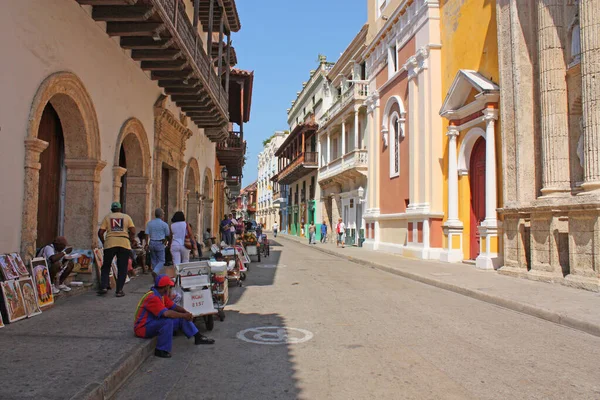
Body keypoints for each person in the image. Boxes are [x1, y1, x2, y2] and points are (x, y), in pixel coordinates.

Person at [134, 274, 215, 358]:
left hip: (152, 323)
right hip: (142, 328)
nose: (170, 289)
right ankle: (160, 350)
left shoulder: (161, 295)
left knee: (179, 317)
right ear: (165, 287)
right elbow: (167, 313)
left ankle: (198, 337)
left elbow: (174, 307)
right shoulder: (152, 297)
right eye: (169, 286)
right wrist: (184, 315)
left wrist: (186, 313)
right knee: (167, 321)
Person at [98, 202, 136, 297]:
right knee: (122, 268)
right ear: (120, 209)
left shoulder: (107, 217)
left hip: (110, 243)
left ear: (111, 209)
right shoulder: (127, 217)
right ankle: (119, 291)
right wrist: (130, 239)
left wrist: (104, 242)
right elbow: (133, 231)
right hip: (124, 243)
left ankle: (103, 286)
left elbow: (100, 232)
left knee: (106, 266)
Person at [145, 208, 170, 274]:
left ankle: (155, 275)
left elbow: (146, 234)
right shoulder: (164, 224)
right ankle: (155, 271)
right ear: (161, 215)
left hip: (152, 242)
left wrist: (146, 244)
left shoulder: (149, 223)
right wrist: (167, 241)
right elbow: (167, 235)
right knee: (162, 260)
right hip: (160, 242)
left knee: (153, 260)